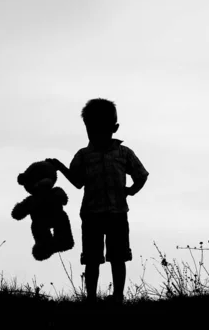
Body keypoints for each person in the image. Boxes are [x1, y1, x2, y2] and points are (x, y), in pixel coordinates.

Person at [46, 98, 149, 305]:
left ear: (114, 128)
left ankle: (118, 297)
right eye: (91, 129)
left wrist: (130, 191)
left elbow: (141, 175)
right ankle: (91, 298)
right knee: (92, 259)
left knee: (118, 258)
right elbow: (77, 182)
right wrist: (59, 166)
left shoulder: (123, 153)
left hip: (117, 214)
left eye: (100, 129)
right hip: (91, 215)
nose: (95, 134)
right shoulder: (84, 155)